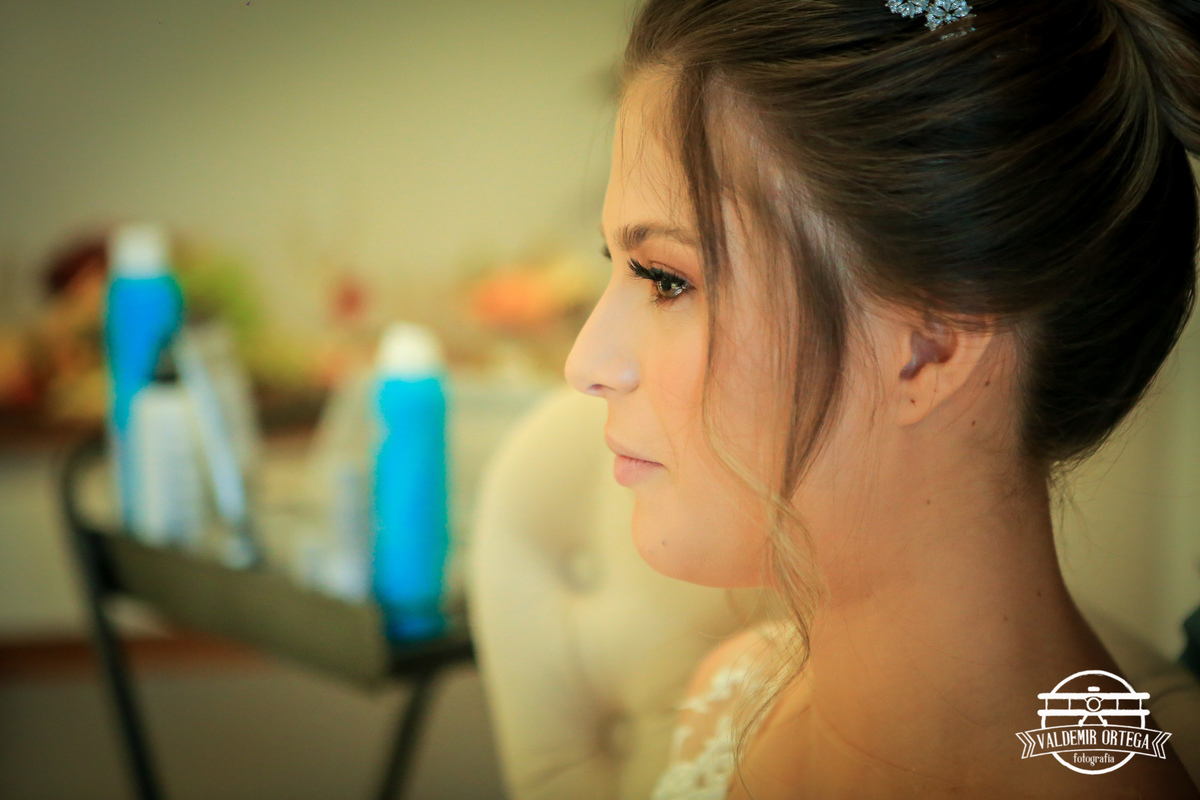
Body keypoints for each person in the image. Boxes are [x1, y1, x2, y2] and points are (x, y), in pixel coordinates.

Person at [563, 0, 1200, 797]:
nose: (585, 363)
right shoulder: (725, 698)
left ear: (931, 347)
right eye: (617, 267)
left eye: (666, 279)